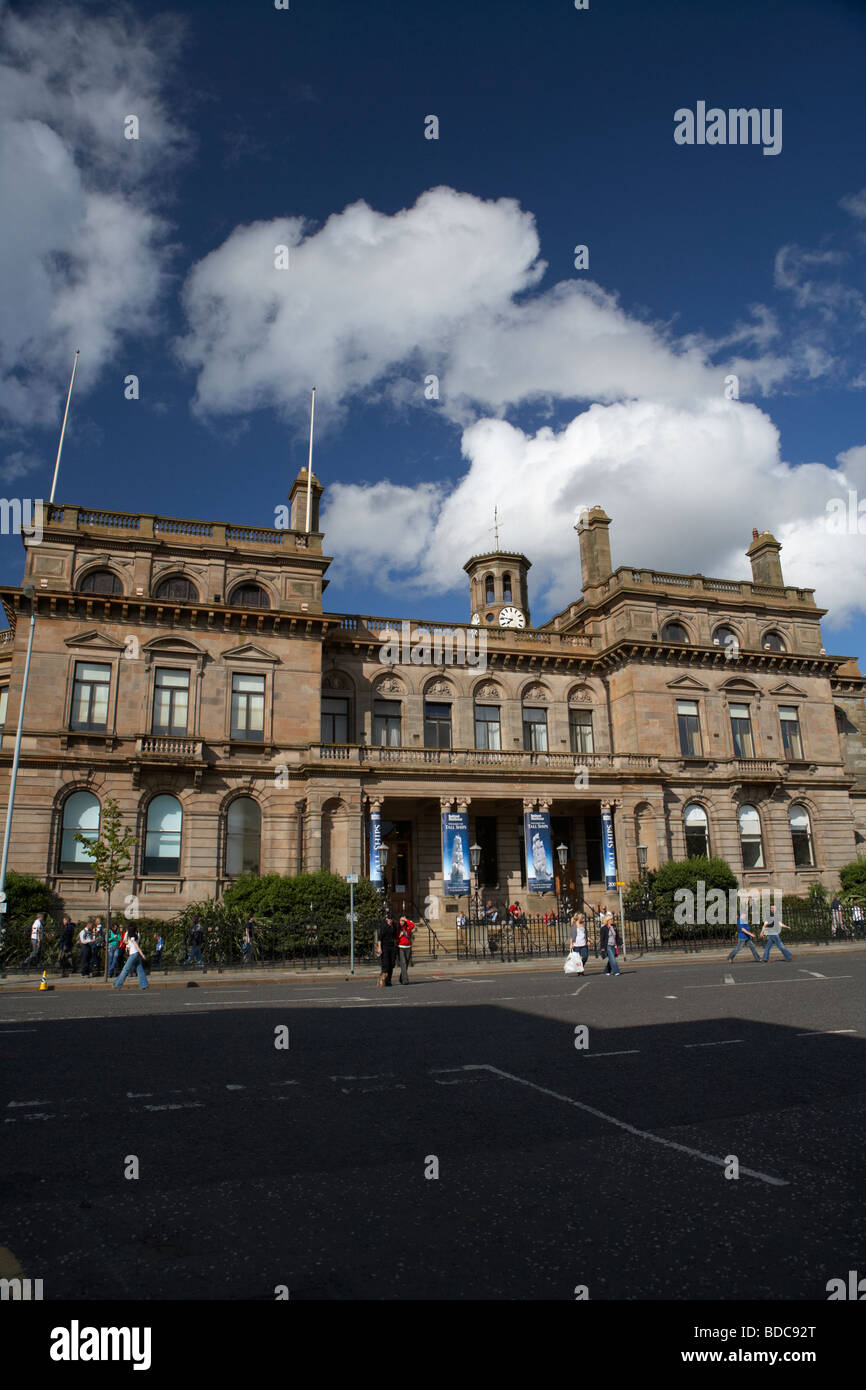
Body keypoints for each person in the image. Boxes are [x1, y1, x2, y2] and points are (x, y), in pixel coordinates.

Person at [376, 914, 398, 987]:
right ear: (386, 919)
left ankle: (389, 980)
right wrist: (379, 948)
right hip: (385, 947)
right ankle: (382, 980)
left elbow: (395, 937)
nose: (390, 920)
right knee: (385, 964)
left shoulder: (393, 927)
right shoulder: (384, 927)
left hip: (392, 947)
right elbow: (379, 938)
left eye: (391, 919)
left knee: (391, 964)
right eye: (389, 919)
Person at [397, 914, 415, 984]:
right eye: (400, 921)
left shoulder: (407, 928)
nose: (401, 922)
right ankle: (405, 980)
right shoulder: (398, 928)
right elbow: (395, 937)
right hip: (401, 947)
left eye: (402, 921)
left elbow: (412, 925)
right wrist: (399, 936)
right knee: (403, 963)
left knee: (406, 964)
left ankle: (401, 978)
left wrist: (406, 920)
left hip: (408, 947)